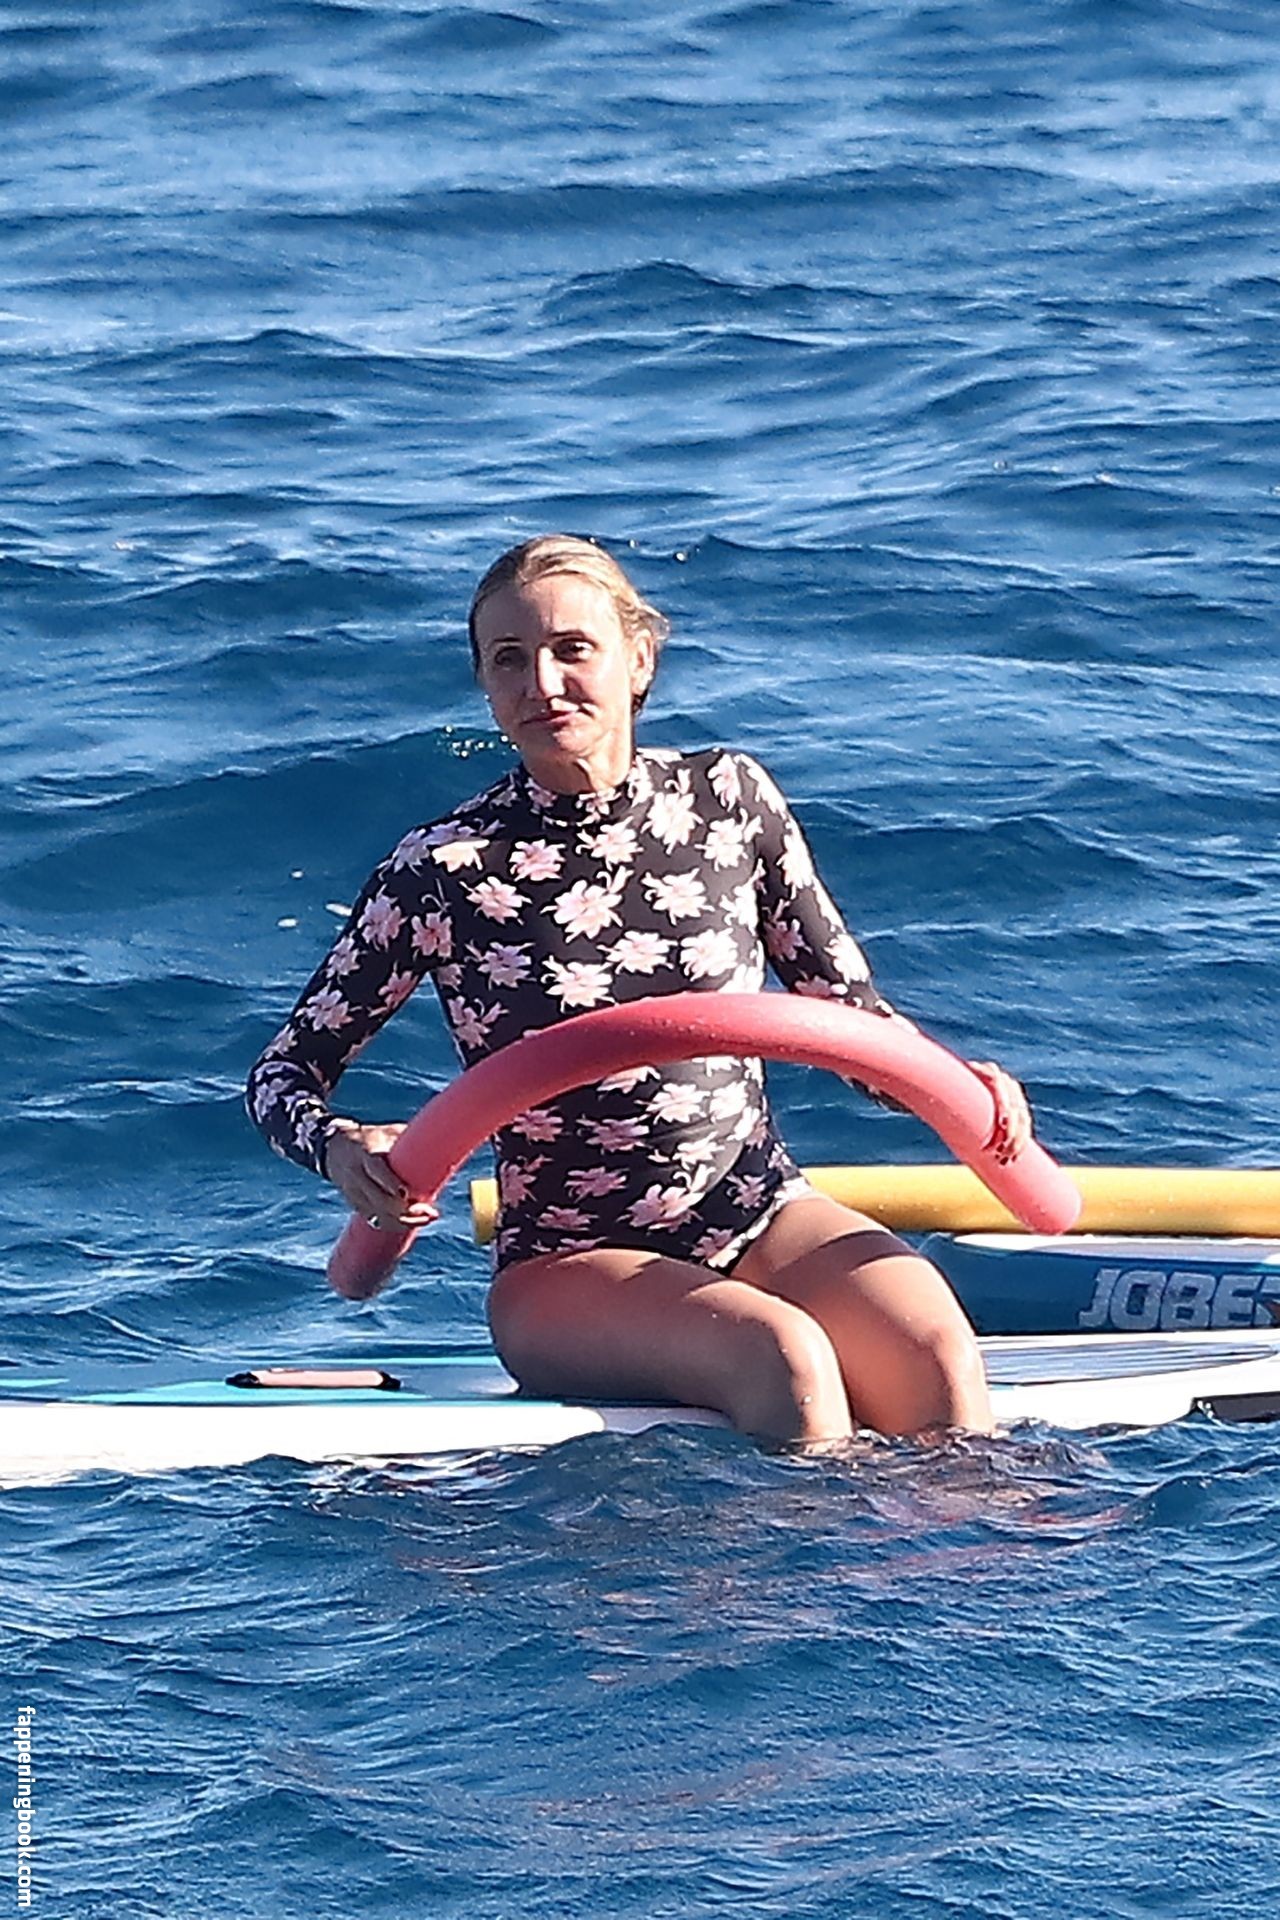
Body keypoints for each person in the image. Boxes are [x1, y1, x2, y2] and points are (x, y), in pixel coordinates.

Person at [247, 535, 1032, 1446]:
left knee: (935, 1350)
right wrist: (339, 1148)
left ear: (640, 659)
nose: (542, 684)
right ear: (485, 687)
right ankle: (804, 1542)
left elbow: (846, 1018)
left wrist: (955, 1086)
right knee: (781, 1356)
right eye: (509, 660)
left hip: (761, 1211)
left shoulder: (729, 800)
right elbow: (281, 1077)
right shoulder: (446, 869)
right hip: (567, 1265)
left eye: (571, 649)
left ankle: (970, 1542)